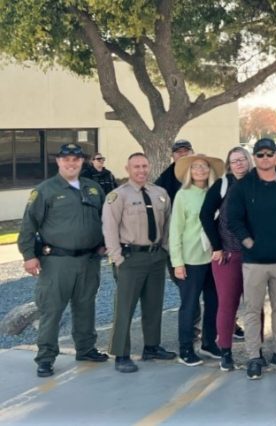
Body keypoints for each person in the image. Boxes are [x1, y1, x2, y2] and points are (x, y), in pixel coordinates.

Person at [18, 143, 109, 377]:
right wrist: (29, 256)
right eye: (66, 159)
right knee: (52, 310)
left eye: (75, 159)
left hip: (89, 260)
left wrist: (104, 243)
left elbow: (103, 220)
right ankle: (45, 358)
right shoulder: (45, 190)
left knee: (86, 306)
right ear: (58, 161)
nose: (71, 163)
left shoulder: (93, 188)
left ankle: (86, 349)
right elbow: (29, 225)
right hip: (57, 262)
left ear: (82, 162)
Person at [227, 138, 276, 379]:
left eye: (269, 154)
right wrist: (249, 243)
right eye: (260, 154)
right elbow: (233, 220)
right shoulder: (243, 186)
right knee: (252, 310)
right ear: (254, 157)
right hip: (254, 262)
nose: (265, 158)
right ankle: (254, 356)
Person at [103, 153, 176, 373]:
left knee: (154, 305)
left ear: (149, 167)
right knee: (125, 308)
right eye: (136, 166)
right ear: (128, 169)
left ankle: (151, 347)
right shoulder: (118, 196)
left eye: (144, 166)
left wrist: (165, 249)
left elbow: (168, 225)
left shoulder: (160, 193)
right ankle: (121, 354)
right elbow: (109, 228)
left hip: (155, 257)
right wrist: (117, 258)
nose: (141, 170)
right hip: (130, 258)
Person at [200, 147, 254, 371]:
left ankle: (256, 352)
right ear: (229, 165)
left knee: (255, 305)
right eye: (234, 161)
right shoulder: (223, 185)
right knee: (227, 304)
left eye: (242, 159)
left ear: (249, 161)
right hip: (228, 254)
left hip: (255, 255)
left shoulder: (259, 182)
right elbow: (205, 214)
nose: (239, 164)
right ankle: (225, 351)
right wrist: (217, 246)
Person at [169, 153, 224, 366]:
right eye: (195, 167)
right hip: (191, 258)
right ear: (189, 172)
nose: (200, 170)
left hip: (214, 257)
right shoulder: (183, 195)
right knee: (189, 306)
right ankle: (185, 348)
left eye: (204, 166)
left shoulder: (217, 194)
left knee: (214, 302)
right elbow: (175, 230)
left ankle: (209, 342)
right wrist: (177, 262)